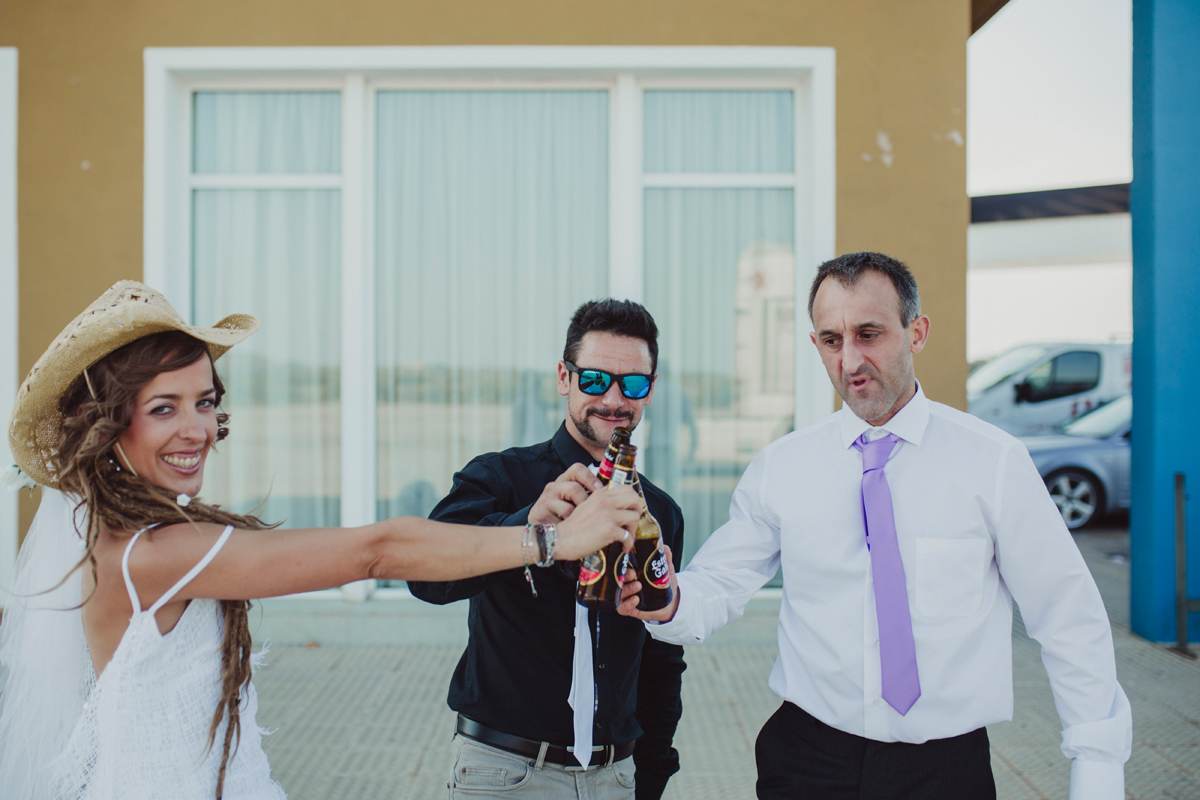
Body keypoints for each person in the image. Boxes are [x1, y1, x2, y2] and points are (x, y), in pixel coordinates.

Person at [0, 282, 640, 800]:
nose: (196, 428)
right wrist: (549, 540)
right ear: (112, 421)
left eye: (204, 401)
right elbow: (379, 551)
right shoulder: (155, 554)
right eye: (163, 407)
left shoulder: (138, 532)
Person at [620, 252, 1132, 800]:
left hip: (943, 770)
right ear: (816, 345)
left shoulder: (994, 462)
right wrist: (667, 600)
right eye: (832, 340)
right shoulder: (782, 468)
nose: (852, 359)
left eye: (869, 333)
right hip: (805, 761)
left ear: (917, 332)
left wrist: (1097, 767)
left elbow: (1066, 614)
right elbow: (719, 583)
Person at [409, 299, 686, 800]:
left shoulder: (659, 513)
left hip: (616, 778)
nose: (614, 399)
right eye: (596, 380)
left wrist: (650, 778)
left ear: (650, 391)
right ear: (564, 377)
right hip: (504, 775)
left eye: (634, 384)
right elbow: (426, 578)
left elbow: (662, 663)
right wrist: (529, 529)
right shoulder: (500, 479)